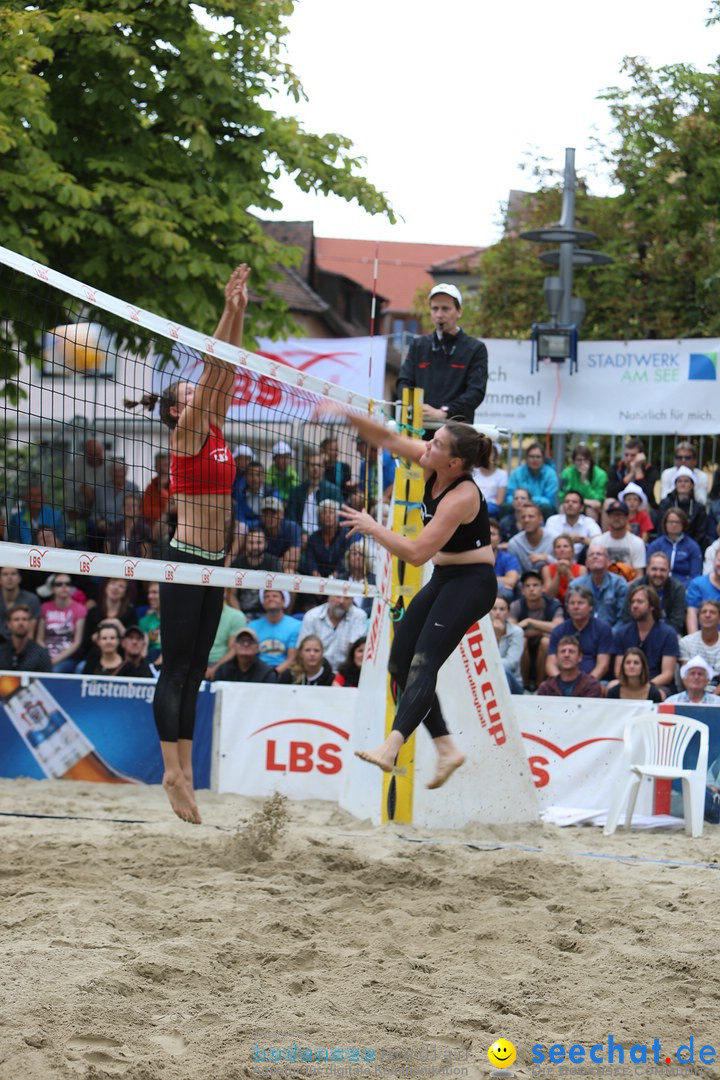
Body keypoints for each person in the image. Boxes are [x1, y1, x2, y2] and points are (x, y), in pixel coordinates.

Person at [128, 263, 250, 823]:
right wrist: (225, 313)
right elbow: (211, 373)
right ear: (178, 408)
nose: (199, 392)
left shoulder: (214, 424)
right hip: (181, 561)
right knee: (176, 667)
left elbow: (225, 369)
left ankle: (187, 769)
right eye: (189, 391)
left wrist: (238, 310)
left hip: (213, 564)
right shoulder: (186, 432)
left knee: (196, 669)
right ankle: (170, 770)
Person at [329, 406, 498, 788]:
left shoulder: (461, 495)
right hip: (446, 577)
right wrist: (344, 411)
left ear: (454, 461)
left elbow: (417, 552)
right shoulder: (432, 461)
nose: (427, 445)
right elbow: (387, 437)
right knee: (400, 663)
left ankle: (391, 746)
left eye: (436, 443)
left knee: (425, 661)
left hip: (472, 583)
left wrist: (373, 527)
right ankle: (447, 748)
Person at [396, 282, 488, 425]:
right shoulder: (418, 346)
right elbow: (404, 382)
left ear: (459, 311)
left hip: (456, 433)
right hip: (419, 429)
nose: (439, 315)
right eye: (435, 309)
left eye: (445, 309)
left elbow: (475, 393)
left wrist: (444, 412)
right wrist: (415, 407)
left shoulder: (475, 349)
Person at [612, 583, 679, 696]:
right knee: (611, 686)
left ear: (652, 606)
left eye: (640, 602)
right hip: (629, 683)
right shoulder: (622, 633)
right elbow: (618, 669)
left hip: (657, 684)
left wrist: (645, 687)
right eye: (632, 602)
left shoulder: (668, 633)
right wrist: (632, 686)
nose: (635, 605)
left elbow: (667, 673)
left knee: (658, 694)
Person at [509, 569, 564, 690]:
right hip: (525, 648)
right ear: (522, 591)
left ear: (543, 588)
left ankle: (540, 686)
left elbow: (559, 628)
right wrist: (542, 630)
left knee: (545, 641)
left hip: (546, 649)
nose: (531, 589)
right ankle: (524, 685)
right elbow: (511, 631)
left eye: (535, 585)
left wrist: (530, 622)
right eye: (527, 586)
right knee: (521, 640)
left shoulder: (554, 604)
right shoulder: (516, 606)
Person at [546, 587, 613, 682]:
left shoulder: (603, 629)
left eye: (580, 603)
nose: (575, 607)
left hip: (593, 682)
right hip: (563, 681)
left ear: (591, 607)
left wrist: (586, 685)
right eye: (572, 603)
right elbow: (550, 664)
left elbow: (603, 665)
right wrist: (561, 684)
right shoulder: (559, 630)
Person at [298, 595, 368, 674]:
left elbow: (358, 649)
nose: (341, 601)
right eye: (338, 596)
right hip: (316, 672)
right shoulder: (312, 616)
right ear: (329, 596)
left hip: (346, 674)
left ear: (352, 600)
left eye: (347, 598)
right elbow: (302, 649)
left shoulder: (359, 616)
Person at [624, 551, 686, 635]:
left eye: (663, 570)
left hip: (668, 634)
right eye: (654, 569)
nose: (658, 574)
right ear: (647, 569)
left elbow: (677, 622)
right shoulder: (635, 587)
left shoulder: (677, 589)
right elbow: (628, 618)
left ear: (669, 571)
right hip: (638, 632)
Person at [36, 575, 87, 673]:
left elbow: (77, 642)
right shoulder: (45, 608)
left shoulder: (79, 609)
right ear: (52, 588)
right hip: (46, 655)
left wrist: (56, 659)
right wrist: (47, 657)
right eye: (59, 584)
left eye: (67, 584)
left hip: (69, 657)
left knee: (55, 670)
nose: (64, 587)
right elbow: (39, 639)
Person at [285, 451, 342, 538]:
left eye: (319, 465)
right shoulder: (296, 491)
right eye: (312, 465)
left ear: (324, 468)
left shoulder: (333, 491)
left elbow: (340, 516)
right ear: (307, 467)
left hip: (323, 538)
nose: (315, 468)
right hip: (300, 537)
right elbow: (291, 517)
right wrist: (301, 533)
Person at [572, 543, 629, 627]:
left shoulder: (619, 584)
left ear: (608, 562)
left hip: (613, 635)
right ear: (586, 563)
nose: (595, 557)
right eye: (591, 555)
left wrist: (608, 636)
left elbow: (623, 619)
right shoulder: (575, 585)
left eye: (599, 554)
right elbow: (572, 617)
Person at [249, 589, 300, 675]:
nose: (270, 599)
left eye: (275, 596)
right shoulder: (252, 626)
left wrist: (274, 674)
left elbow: (292, 658)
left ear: (283, 602)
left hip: (285, 672)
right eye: (267, 597)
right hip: (257, 671)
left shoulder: (296, 626)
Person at [646, 508, 702, 585]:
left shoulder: (693, 547)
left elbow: (695, 575)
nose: (674, 525)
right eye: (671, 522)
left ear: (683, 524)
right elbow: (648, 571)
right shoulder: (656, 545)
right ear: (665, 524)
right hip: (658, 584)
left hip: (684, 588)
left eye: (677, 522)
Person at [537, 635, 602, 698]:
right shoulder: (546, 688)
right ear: (556, 657)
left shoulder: (591, 686)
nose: (567, 655)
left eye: (571, 651)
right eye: (563, 651)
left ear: (580, 657)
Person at [657, 467, 707, 546]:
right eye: (679, 481)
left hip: (690, 547)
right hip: (667, 544)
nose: (682, 484)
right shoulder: (665, 504)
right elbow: (661, 528)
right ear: (675, 485)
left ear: (692, 485)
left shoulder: (699, 508)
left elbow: (700, 533)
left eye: (686, 481)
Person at [605, 437, 659, 511]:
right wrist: (630, 475)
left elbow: (648, 495)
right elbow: (610, 493)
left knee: (645, 505)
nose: (628, 459)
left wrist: (638, 470)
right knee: (608, 502)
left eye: (633, 455)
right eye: (626, 455)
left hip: (642, 506)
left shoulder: (650, 470)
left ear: (641, 456)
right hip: (621, 505)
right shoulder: (616, 468)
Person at [597, 500, 647, 579]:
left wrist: (624, 588)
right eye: (613, 515)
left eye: (620, 515)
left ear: (627, 518)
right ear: (608, 517)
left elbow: (639, 575)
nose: (616, 518)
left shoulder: (638, 543)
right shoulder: (597, 542)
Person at [505, 443, 558, 516]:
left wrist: (528, 500)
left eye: (538, 457)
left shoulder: (550, 474)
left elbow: (549, 500)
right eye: (532, 456)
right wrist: (520, 501)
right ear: (526, 458)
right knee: (506, 507)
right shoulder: (517, 472)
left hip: (541, 508)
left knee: (547, 508)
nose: (535, 460)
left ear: (543, 459)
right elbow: (509, 496)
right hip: (519, 505)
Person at [544, 489, 601, 557]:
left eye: (574, 502)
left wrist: (581, 539)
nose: (570, 504)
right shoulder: (552, 520)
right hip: (557, 559)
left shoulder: (589, 521)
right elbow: (550, 541)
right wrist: (570, 538)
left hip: (582, 560)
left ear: (581, 508)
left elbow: (599, 542)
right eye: (567, 502)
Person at [8, 479, 66, 545]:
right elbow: (14, 543)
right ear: (25, 497)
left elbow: (61, 543)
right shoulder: (17, 518)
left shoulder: (56, 515)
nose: (35, 499)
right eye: (31, 495)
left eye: (39, 495)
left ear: (45, 498)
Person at [212, 626, 278, 683]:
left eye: (250, 641)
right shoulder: (223, 670)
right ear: (234, 646)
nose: (245, 644)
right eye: (241, 641)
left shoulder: (266, 673)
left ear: (257, 647)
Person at [303, 500, 351, 578]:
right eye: (324, 513)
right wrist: (315, 574)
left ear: (336, 516)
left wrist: (334, 575)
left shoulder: (346, 535)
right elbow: (310, 560)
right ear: (320, 517)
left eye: (331, 512)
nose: (328, 515)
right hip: (316, 579)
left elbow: (344, 559)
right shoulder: (313, 538)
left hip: (340, 578)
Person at [559, 445, 607, 520]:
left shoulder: (601, 474)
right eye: (579, 460)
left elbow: (599, 498)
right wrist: (581, 501)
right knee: (562, 508)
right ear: (573, 461)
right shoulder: (566, 473)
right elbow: (562, 495)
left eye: (586, 460)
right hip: (574, 503)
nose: (582, 463)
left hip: (591, 507)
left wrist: (584, 481)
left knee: (591, 510)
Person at [679, 599, 720, 688]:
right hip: (693, 692)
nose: (707, 615)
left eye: (712, 612)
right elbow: (684, 677)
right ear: (698, 617)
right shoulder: (686, 642)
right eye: (704, 612)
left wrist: (713, 697)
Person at [0, 604, 52, 672]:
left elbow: (45, 680)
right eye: (16, 619)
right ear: (9, 624)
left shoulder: (41, 654)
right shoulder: (1, 652)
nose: (21, 623)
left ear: (30, 623)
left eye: (24, 619)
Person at [507, 502, 555, 574]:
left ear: (540, 519)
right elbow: (515, 572)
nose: (526, 520)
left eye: (531, 516)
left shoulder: (553, 539)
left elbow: (564, 564)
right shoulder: (514, 543)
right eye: (523, 517)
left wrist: (547, 558)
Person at [490, 595, 524, 694]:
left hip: (513, 684)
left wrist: (498, 635)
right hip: (486, 679)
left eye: (502, 609)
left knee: (503, 671)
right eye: (494, 609)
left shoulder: (517, 632)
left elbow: (511, 663)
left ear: (508, 612)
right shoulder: (482, 633)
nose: (497, 613)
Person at [541, 534, 583, 611]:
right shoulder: (546, 569)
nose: (562, 549)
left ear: (572, 550)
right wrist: (558, 573)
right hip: (555, 608)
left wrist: (568, 573)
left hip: (576, 606)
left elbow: (581, 594)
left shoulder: (582, 569)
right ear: (554, 552)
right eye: (558, 547)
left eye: (565, 546)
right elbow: (550, 595)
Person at [0, 566, 42, 637]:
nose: (9, 578)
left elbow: (30, 635)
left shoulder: (31, 600)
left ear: (19, 578)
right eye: (5, 574)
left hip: (22, 644)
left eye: (13, 574)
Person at [686, 551, 720, 634]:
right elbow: (692, 614)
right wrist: (694, 643)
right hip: (703, 639)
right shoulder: (697, 584)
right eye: (719, 560)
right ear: (714, 560)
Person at [472, 443, 507, 518]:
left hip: (490, 512)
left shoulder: (502, 474)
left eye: (489, 453)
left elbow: (499, 501)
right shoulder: (473, 472)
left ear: (495, 456)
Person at [489, 518, 520, 601]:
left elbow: (512, 581)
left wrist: (484, 580)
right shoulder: (475, 558)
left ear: (499, 539)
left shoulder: (508, 558)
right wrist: (501, 582)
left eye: (492, 534)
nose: (489, 537)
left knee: (507, 592)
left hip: (501, 597)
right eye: (486, 533)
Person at [139, 581, 162, 665]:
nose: (150, 596)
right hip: (151, 661)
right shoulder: (144, 621)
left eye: (155, 592)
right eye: (149, 593)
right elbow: (142, 651)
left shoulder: (179, 619)